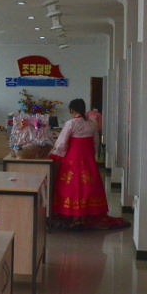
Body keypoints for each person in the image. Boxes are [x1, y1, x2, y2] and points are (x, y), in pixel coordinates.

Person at [48, 98, 129, 231]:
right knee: (88, 188)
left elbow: (62, 143)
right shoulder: (92, 124)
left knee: (72, 188)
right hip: (87, 161)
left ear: (72, 110)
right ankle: (84, 218)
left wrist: (54, 154)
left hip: (71, 162)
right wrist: (92, 156)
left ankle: (74, 219)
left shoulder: (71, 123)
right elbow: (95, 143)